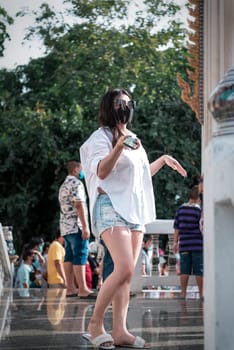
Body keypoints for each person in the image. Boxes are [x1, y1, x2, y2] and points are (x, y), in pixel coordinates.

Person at [80, 87, 187, 349]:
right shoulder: (101, 137)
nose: (124, 107)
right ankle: (95, 325)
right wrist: (118, 146)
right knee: (125, 267)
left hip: (134, 210)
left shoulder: (135, 139)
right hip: (110, 206)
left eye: (127, 102)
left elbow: (138, 179)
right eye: (118, 103)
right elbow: (102, 172)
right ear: (108, 106)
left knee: (128, 276)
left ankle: (120, 331)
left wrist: (161, 160)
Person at [58, 160, 95, 298]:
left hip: (65, 227)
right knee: (80, 254)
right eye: (81, 169)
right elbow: (78, 204)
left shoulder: (63, 186)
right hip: (76, 225)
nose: (83, 172)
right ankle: (83, 289)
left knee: (69, 256)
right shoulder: (76, 184)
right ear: (75, 170)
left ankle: (70, 288)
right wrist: (85, 227)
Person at [172, 185, 203, 299]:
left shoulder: (180, 209)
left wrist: (175, 242)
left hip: (184, 244)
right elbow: (202, 227)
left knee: (184, 269)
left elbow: (176, 227)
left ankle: (183, 293)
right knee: (199, 269)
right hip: (197, 244)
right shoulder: (199, 211)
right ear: (199, 198)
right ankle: (201, 294)